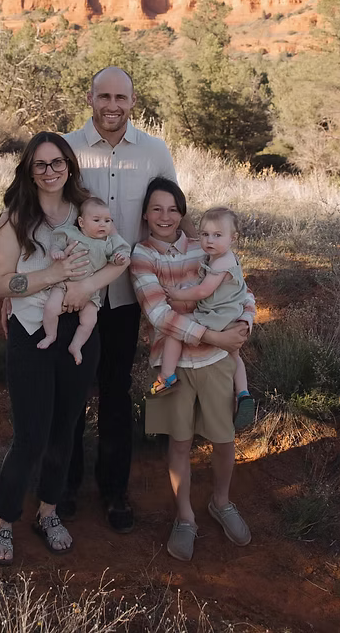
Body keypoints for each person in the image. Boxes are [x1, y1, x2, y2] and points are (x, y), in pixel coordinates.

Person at [0, 132, 128, 566]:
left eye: (57, 162)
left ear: (70, 164)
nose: (50, 171)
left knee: (65, 429)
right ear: (29, 171)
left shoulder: (88, 212)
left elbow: (115, 259)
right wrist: (53, 274)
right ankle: (2, 520)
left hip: (78, 334)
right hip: (32, 333)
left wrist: (84, 286)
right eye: (40, 165)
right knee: (31, 435)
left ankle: (48, 512)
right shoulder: (16, 220)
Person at [61, 66, 190, 532]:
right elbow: (33, 213)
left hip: (129, 294)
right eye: (104, 96)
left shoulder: (154, 151)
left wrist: (207, 266)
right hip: (72, 293)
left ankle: (115, 491)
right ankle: (64, 485)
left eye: (121, 97)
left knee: (116, 392)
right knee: (70, 393)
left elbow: (172, 211)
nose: (112, 105)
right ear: (90, 97)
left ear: (133, 101)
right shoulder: (66, 149)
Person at [130, 178, 255, 562]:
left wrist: (244, 325)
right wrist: (216, 337)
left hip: (215, 363)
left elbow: (241, 291)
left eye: (172, 209)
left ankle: (221, 501)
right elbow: (159, 315)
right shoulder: (141, 256)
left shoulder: (207, 245)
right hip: (172, 362)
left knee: (223, 438)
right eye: (156, 209)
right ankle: (184, 517)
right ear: (145, 215)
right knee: (179, 443)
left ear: (182, 212)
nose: (165, 217)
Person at [149, 206, 256, 430]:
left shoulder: (221, 262)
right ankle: (244, 393)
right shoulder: (223, 257)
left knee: (175, 331)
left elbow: (202, 292)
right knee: (234, 354)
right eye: (205, 234)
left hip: (218, 315)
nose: (209, 240)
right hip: (230, 313)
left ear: (233, 238)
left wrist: (177, 294)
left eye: (217, 235)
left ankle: (166, 376)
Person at [39, 197, 131, 364]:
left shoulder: (108, 243)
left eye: (107, 221)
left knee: (90, 321)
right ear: (81, 222)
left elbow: (118, 259)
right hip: (64, 283)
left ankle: (76, 345)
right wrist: (57, 252)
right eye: (96, 220)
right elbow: (56, 244)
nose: (103, 224)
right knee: (51, 308)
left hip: (91, 292)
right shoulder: (71, 233)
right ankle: (50, 335)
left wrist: (119, 259)